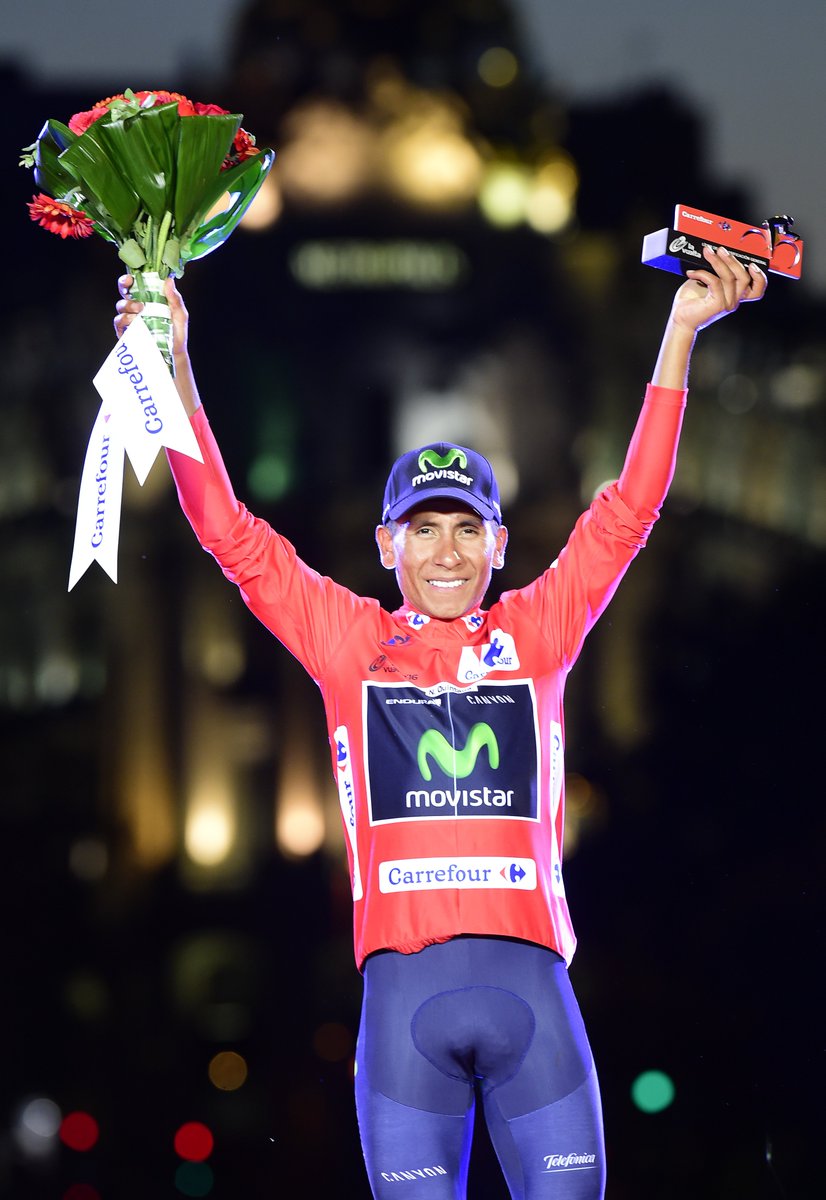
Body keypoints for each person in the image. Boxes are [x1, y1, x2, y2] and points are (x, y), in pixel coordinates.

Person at [116, 245, 765, 1199]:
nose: (447, 552)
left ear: (499, 544)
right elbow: (227, 531)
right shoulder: (348, 642)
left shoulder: (538, 632)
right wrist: (172, 359)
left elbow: (631, 509)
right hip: (402, 1017)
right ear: (388, 545)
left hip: (536, 1006)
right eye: (424, 529)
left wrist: (680, 331)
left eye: (466, 529)